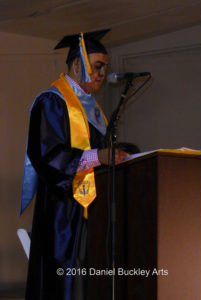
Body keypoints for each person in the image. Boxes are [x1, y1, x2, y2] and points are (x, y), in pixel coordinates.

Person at [21, 29, 128, 300]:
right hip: (63, 211)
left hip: (93, 209)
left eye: (105, 68)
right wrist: (97, 157)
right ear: (78, 64)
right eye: (97, 67)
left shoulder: (92, 108)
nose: (102, 75)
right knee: (66, 282)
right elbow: (46, 155)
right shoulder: (52, 100)